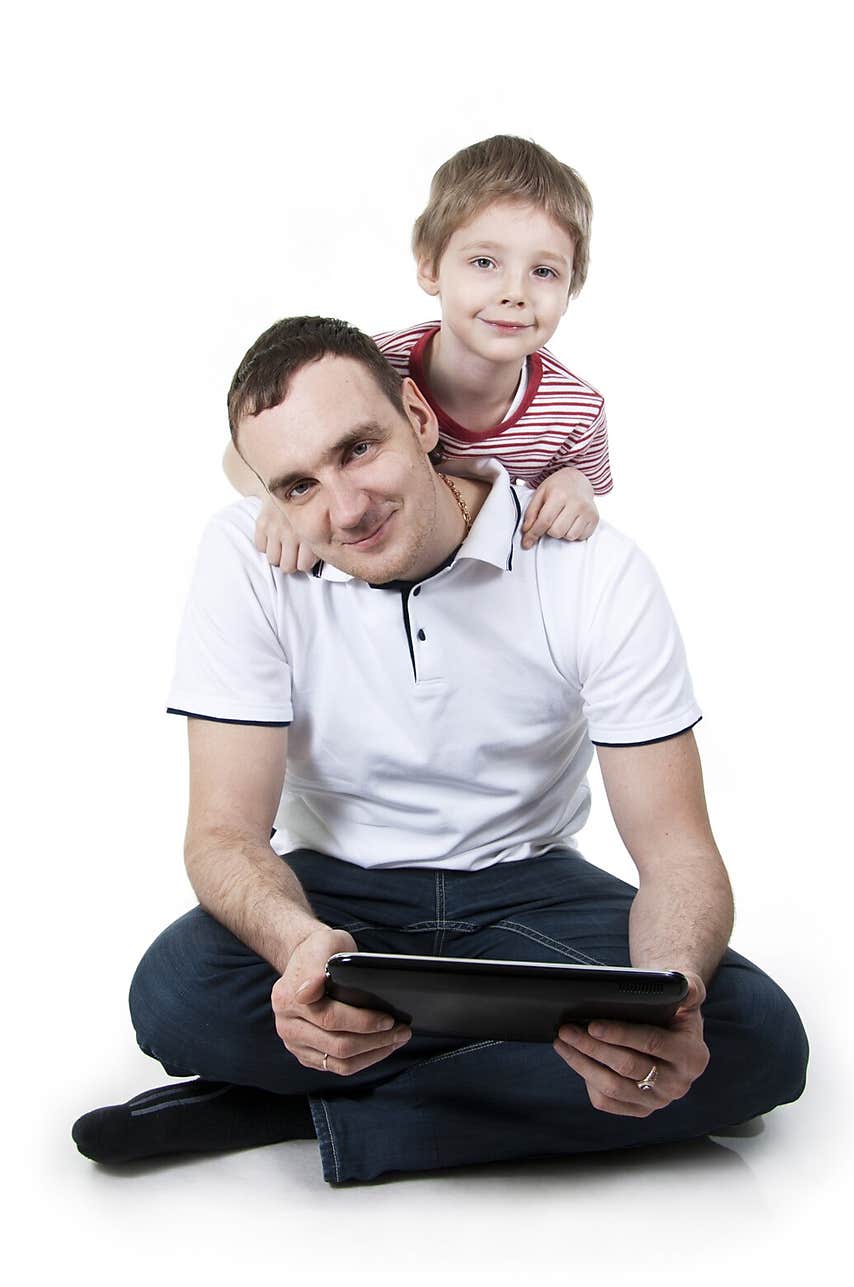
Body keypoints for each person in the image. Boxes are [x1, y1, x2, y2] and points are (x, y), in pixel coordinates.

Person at [72, 316, 808, 1184]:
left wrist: (671, 990)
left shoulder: (588, 567)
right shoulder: (246, 557)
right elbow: (224, 835)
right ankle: (497, 1088)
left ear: (419, 418)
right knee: (174, 994)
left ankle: (297, 1106)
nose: (344, 510)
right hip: (339, 896)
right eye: (299, 486)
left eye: (359, 449)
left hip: (529, 887)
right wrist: (300, 947)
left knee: (751, 1036)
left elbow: (677, 849)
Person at [223, 135, 611, 574]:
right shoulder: (371, 369)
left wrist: (575, 485)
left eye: (544, 271)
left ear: (570, 290)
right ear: (430, 267)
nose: (514, 293)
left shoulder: (577, 411)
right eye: (484, 262)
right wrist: (277, 499)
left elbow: (587, 498)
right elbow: (240, 456)